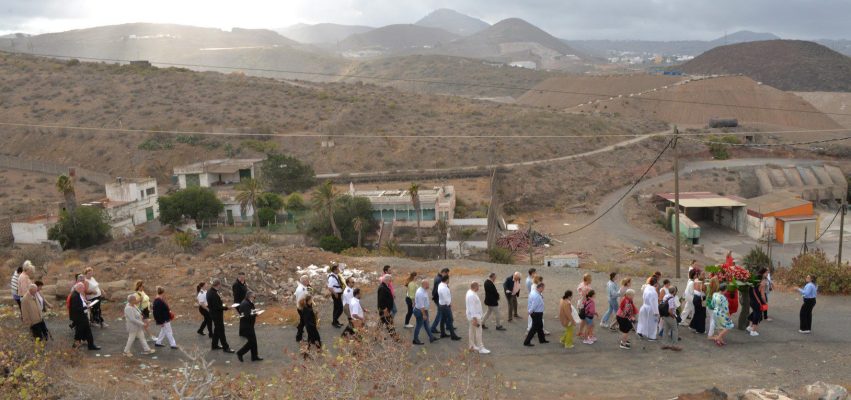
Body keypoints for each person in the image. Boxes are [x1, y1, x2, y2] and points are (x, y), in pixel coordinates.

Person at [207, 279, 234, 353]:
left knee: (217, 329)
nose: (220, 286)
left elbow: (215, 305)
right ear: (218, 285)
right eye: (220, 285)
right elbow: (217, 307)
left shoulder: (210, 291)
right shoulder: (214, 294)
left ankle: (214, 345)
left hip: (213, 313)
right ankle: (226, 348)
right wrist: (226, 308)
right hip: (216, 315)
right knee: (221, 331)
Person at [70, 282, 99, 350]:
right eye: (83, 288)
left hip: (82, 316)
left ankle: (91, 345)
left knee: (87, 331)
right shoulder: (75, 296)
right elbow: (76, 308)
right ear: (79, 288)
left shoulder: (78, 294)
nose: (84, 289)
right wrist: (87, 307)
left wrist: (86, 303)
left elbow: (81, 303)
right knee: (79, 332)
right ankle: (76, 346)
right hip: (80, 317)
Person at [236, 291, 262, 362]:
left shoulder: (247, 302)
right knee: (251, 342)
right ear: (250, 296)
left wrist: (255, 311)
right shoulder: (245, 304)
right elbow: (247, 316)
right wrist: (256, 314)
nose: (254, 298)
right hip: (246, 326)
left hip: (249, 325)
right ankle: (240, 353)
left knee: (253, 341)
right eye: (254, 297)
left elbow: (250, 311)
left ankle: (254, 356)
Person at [433, 274, 461, 340]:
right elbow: (446, 298)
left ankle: (443, 333)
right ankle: (453, 335)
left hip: (441, 305)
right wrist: (449, 304)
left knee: (443, 319)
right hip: (445, 306)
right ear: (447, 279)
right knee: (450, 319)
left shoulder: (440, 285)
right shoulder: (444, 288)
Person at [465, 281, 489, 354]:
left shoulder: (470, 292)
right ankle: (481, 348)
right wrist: (474, 319)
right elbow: (472, 308)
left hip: (471, 316)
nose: (479, 288)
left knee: (471, 331)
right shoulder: (472, 295)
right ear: (475, 287)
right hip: (475, 317)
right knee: (479, 332)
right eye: (478, 286)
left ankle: (471, 346)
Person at [523, 282, 548, 347]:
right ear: (540, 288)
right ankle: (526, 342)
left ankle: (542, 340)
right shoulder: (536, 295)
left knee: (540, 326)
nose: (543, 289)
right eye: (543, 288)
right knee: (534, 328)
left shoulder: (534, 292)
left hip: (536, 313)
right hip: (536, 313)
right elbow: (534, 306)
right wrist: (530, 311)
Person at [412, 279, 436, 345]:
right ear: (424, 284)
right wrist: (424, 315)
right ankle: (415, 340)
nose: (429, 285)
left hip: (423, 310)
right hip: (421, 312)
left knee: (426, 324)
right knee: (419, 326)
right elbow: (421, 306)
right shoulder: (420, 293)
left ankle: (431, 337)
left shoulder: (423, 290)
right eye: (428, 284)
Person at [710, 282, 734, 346]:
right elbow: (726, 309)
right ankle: (718, 338)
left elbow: (712, 304)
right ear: (725, 289)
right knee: (728, 326)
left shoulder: (714, 294)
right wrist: (729, 316)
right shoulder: (724, 298)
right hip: (722, 314)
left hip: (715, 312)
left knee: (719, 327)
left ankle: (720, 340)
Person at [637, 276, 659, 341]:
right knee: (652, 323)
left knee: (642, 320)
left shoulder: (646, 288)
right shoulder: (653, 292)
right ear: (655, 283)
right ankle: (651, 336)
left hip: (644, 306)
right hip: (651, 309)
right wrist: (656, 313)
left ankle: (640, 332)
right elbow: (654, 303)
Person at [747, 268, 767, 337]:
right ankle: (753, 331)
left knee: (754, 312)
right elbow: (762, 295)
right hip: (757, 302)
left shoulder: (752, 283)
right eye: (767, 273)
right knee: (757, 315)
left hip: (752, 301)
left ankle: (750, 327)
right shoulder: (762, 284)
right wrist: (765, 302)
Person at [660, 286, 681, 351]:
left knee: (665, 330)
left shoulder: (666, 296)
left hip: (664, 316)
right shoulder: (671, 299)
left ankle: (664, 344)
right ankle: (674, 345)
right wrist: (673, 316)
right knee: (675, 330)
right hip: (670, 316)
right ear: (674, 292)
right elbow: (670, 310)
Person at [431, 268, 450, 334]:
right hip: (439, 299)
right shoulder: (439, 279)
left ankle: (448, 325)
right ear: (444, 272)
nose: (447, 275)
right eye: (447, 273)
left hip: (438, 299)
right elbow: (437, 291)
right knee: (440, 314)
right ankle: (433, 328)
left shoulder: (437, 277)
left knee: (445, 313)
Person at [575, 273, 593, 339]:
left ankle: (580, 332)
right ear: (588, 280)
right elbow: (586, 297)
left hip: (581, 304)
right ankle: (586, 335)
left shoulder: (581, 284)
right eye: (590, 279)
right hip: (584, 305)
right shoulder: (585, 287)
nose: (591, 280)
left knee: (583, 320)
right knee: (587, 321)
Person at [293, 275, 310, 342]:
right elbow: (301, 302)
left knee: (302, 322)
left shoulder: (304, 286)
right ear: (304, 281)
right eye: (307, 280)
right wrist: (305, 309)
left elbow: (309, 293)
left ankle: (299, 336)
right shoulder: (301, 289)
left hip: (304, 308)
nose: (309, 281)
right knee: (304, 323)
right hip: (303, 309)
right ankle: (299, 337)